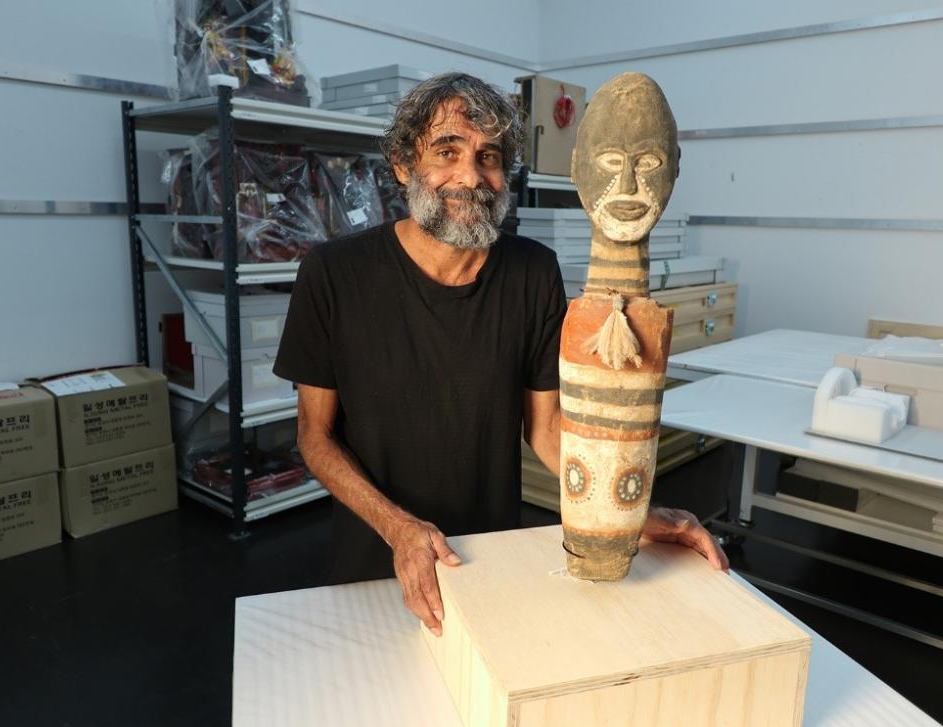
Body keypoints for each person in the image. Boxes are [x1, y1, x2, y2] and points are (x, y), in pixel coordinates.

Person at [273, 72, 727, 637]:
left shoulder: (532, 272)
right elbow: (315, 438)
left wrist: (632, 516)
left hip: (492, 561)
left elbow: (545, 430)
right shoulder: (334, 273)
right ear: (402, 164)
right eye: (447, 151)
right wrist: (399, 529)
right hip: (375, 562)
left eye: (489, 156)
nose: (471, 175)